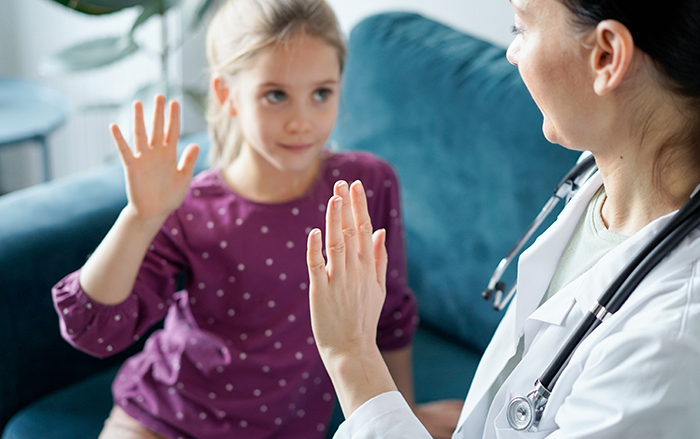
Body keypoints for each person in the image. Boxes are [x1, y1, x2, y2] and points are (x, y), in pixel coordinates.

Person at [51, 0, 461, 438]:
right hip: (161, 420)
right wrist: (139, 217)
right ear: (227, 95)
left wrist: (399, 418)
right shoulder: (189, 208)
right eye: (276, 95)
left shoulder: (367, 184)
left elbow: (388, 316)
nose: (301, 122)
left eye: (321, 93)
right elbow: (93, 331)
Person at [306, 0, 700, 437]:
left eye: (521, 28)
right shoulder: (606, 171)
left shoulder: (667, 345)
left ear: (607, 56)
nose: (512, 53)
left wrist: (351, 355)